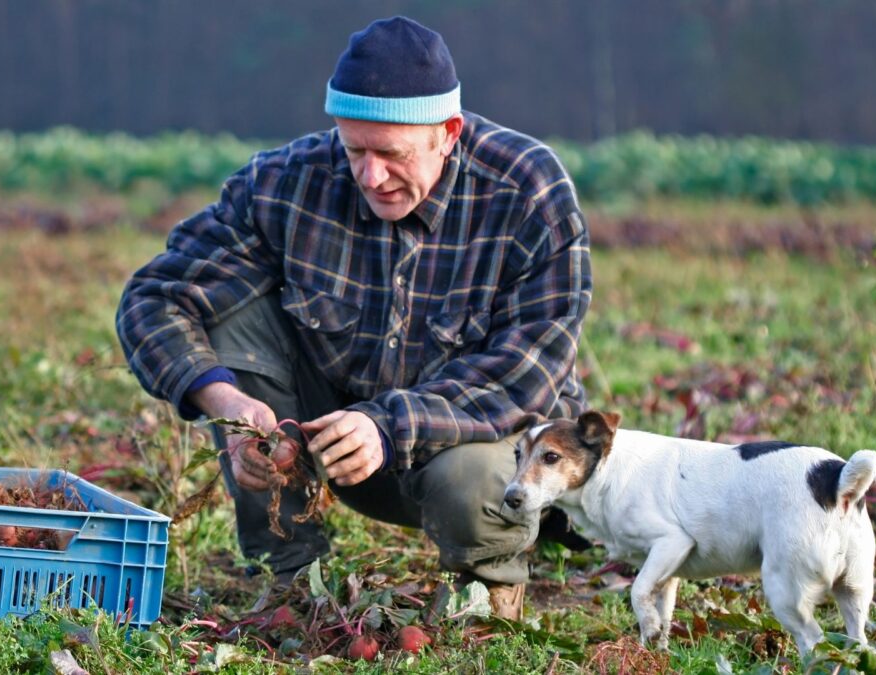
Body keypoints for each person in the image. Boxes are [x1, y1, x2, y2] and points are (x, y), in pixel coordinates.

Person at [116, 16, 591, 620]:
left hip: (478, 456)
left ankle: (487, 591)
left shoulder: (527, 192)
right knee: (231, 312)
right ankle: (290, 571)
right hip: (334, 443)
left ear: (448, 133)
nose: (370, 176)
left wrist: (388, 424)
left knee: (471, 486)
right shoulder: (289, 183)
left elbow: (527, 375)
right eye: (355, 149)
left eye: (391, 155)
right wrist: (227, 406)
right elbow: (155, 296)